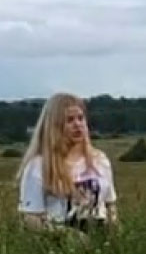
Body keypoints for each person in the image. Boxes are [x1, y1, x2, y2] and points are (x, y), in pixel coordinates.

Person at [15, 92, 119, 235]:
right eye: (69, 120)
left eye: (80, 118)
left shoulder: (100, 161)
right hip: (59, 245)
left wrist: (114, 233)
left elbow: (110, 205)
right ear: (55, 126)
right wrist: (65, 235)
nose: (77, 125)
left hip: (99, 240)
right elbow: (31, 219)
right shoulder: (38, 167)